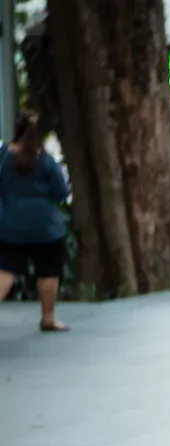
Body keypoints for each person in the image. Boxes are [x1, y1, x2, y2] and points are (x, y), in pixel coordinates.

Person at [0, 111, 71, 332]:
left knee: (5, 271)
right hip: (45, 227)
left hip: (11, 225)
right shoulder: (46, 160)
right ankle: (48, 318)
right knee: (48, 271)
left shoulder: (3, 156)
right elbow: (61, 192)